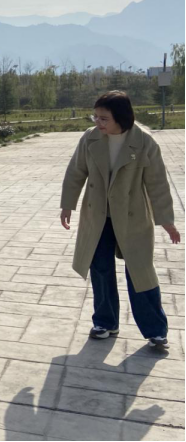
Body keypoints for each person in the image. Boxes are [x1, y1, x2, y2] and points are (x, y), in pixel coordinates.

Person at [61, 91, 181, 350]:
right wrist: (67, 205)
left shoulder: (144, 142)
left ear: (121, 118)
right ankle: (105, 322)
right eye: (95, 117)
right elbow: (75, 172)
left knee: (140, 270)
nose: (98, 122)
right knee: (100, 269)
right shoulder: (90, 138)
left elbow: (158, 184)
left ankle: (156, 330)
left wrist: (166, 220)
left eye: (104, 118)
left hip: (132, 217)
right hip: (98, 216)